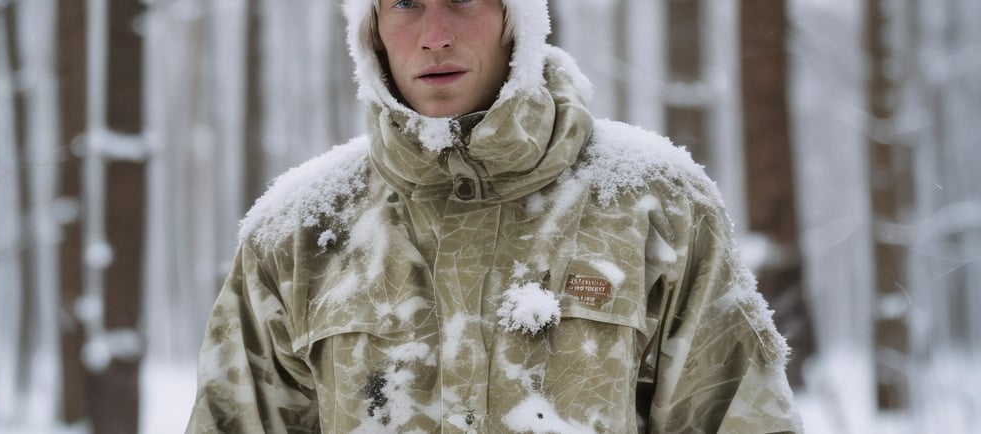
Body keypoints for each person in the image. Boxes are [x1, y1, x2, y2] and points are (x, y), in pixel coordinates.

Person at [186, 0, 804, 432]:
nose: (434, 35)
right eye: (404, 2)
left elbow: (738, 416)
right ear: (370, 30)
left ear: (518, 20)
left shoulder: (653, 205)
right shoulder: (297, 232)